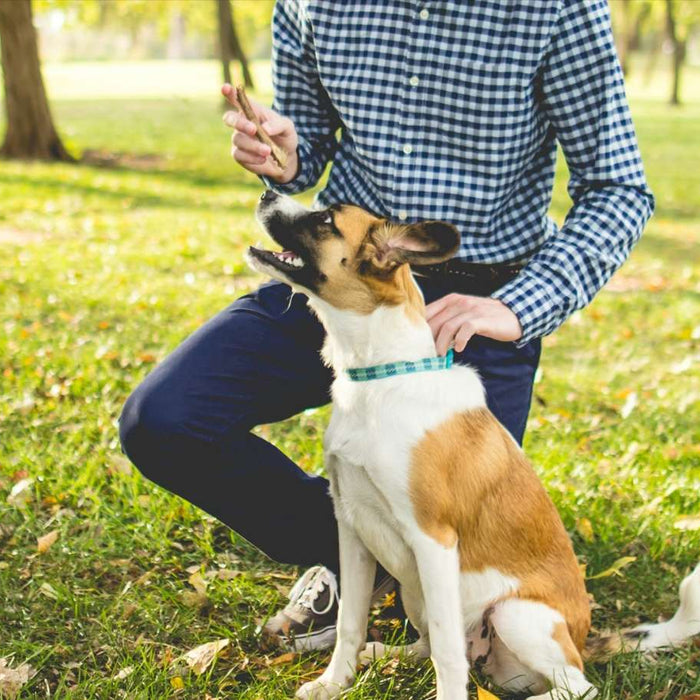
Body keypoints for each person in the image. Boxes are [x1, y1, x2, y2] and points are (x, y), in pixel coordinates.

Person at [119, 0, 653, 651]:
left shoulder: (556, 9)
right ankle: (356, 555)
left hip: (480, 304)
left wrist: (521, 305)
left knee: (447, 574)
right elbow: (309, 141)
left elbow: (618, 185)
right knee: (165, 420)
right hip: (344, 279)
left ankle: (402, 561)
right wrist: (288, 158)